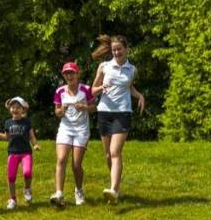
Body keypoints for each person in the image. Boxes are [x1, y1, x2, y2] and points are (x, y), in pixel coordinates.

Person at [90, 35, 145, 203]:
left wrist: (139, 96)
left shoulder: (132, 69)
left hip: (122, 113)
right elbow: (92, 91)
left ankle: (113, 189)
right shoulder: (104, 66)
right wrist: (101, 87)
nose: (116, 52)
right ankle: (116, 187)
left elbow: (128, 87)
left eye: (119, 49)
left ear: (127, 49)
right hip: (104, 113)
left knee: (115, 152)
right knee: (108, 155)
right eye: (114, 50)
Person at [51, 62, 94, 206]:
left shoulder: (86, 89)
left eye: (71, 73)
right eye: (66, 74)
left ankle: (79, 190)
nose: (69, 76)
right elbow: (57, 112)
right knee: (61, 159)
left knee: (76, 165)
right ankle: (59, 193)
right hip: (65, 128)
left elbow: (94, 107)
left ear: (77, 74)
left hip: (81, 130)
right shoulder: (60, 91)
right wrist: (61, 110)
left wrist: (84, 107)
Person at [0, 96, 38, 209]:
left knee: (27, 173)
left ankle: (27, 189)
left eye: (18, 107)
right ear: (10, 109)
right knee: (11, 177)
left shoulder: (26, 122)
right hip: (13, 153)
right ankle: (13, 199)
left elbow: (32, 136)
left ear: (23, 109)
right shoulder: (8, 123)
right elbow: (6, 137)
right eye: (13, 107)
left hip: (26, 153)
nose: (15, 109)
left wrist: (35, 145)